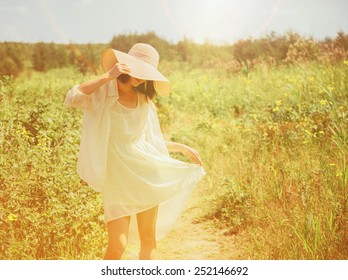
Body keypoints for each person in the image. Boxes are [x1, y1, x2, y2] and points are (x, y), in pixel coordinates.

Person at [64, 43, 206, 260]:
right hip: (117, 180)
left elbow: (150, 141)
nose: (141, 77)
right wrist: (108, 76)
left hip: (145, 174)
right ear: (126, 66)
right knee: (117, 246)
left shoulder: (144, 101)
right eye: (138, 69)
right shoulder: (104, 92)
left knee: (148, 240)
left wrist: (181, 148)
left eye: (147, 73)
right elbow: (72, 98)